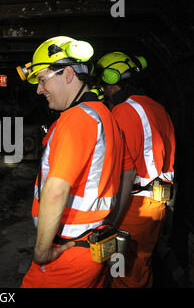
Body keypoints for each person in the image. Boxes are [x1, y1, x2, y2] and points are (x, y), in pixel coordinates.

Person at [17, 36, 126, 288]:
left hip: (68, 251)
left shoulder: (76, 119)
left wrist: (42, 252)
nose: (39, 89)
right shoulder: (104, 115)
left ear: (67, 73)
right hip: (93, 247)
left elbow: (56, 190)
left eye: (43, 80)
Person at [95, 52, 176, 288]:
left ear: (111, 80)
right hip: (156, 204)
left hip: (133, 207)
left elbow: (124, 171)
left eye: (102, 84)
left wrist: (111, 219)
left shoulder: (123, 111)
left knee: (124, 272)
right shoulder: (156, 107)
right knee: (139, 267)